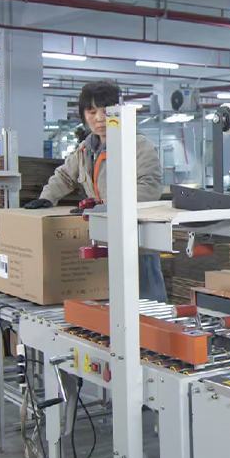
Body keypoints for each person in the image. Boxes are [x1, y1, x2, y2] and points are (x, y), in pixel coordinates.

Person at [24, 80, 168, 302]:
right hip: (104, 235)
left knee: (146, 300)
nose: (100, 119)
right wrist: (47, 198)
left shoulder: (138, 146)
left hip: (136, 237)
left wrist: (106, 210)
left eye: (105, 111)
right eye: (92, 112)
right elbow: (65, 176)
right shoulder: (85, 150)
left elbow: (148, 186)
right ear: (84, 115)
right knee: (110, 299)